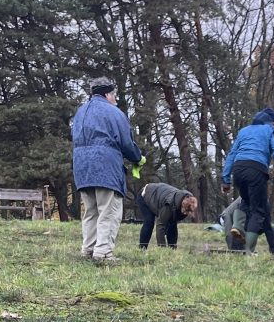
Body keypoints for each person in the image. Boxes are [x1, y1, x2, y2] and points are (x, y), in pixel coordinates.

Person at [71, 77, 144, 264]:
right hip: (105, 167)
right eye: (114, 95)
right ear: (107, 94)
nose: (116, 99)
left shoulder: (80, 112)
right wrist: (137, 157)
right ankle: (103, 253)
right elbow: (126, 142)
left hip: (82, 167)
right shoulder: (114, 113)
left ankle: (88, 249)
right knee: (108, 211)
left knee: (91, 211)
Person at [221, 107, 274, 254]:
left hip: (238, 169)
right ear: (269, 122)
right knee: (258, 212)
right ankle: (248, 251)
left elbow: (232, 153)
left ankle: (237, 226)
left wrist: (226, 180)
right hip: (256, 170)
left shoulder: (243, 131)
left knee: (246, 202)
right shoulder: (269, 130)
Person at [137, 182, 197, 249]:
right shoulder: (169, 205)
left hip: (158, 194)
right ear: (182, 205)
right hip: (145, 195)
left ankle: (172, 249)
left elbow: (173, 224)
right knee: (149, 222)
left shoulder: (188, 201)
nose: (186, 214)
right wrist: (162, 248)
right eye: (185, 211)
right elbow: (160, 226)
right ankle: (142, 248)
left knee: (172, 224)